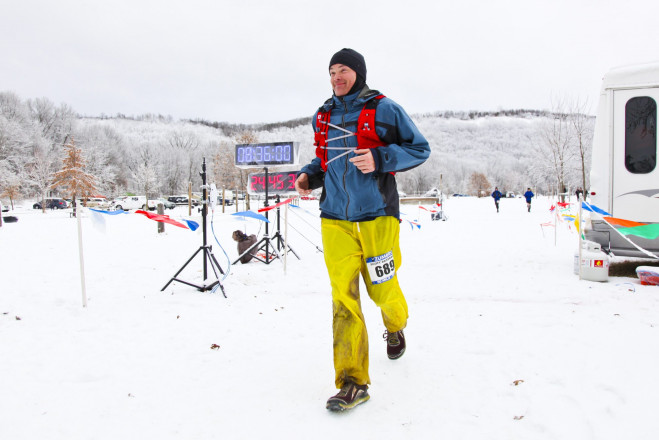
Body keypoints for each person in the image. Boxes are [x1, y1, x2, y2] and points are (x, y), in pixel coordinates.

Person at [295, 48, 430, 412]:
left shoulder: (385, 109)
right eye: (331, 72)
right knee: (343, 297)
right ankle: (353, 381)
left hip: (377, 215)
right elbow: (326, 159)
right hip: (334, 217)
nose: (337, 78)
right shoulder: (321, 115)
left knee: (382, 288)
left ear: (358, 72)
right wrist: (310, 174)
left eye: (343, 71)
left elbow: (420, 148)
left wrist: (381, 158)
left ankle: (396, 324)